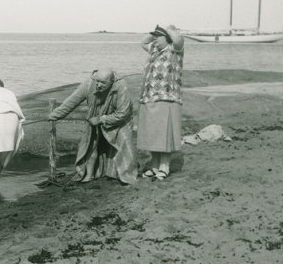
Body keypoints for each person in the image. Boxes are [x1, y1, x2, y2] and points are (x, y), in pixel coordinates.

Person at [48, 68, 137, 184]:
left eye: (103, 83)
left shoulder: (121, 87)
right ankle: (89, 175)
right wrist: (54, 115)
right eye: (97, 82)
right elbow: (71, 101)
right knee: (90, 143)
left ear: (111, 82)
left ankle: (123, 174)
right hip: (94, 115)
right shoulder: (89, 83)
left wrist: (101, 119)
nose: (99, 85)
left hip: (119, 118)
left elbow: (123, 114)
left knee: (124, 142)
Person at [137, 24, 185, 181]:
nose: (155, 40)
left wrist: (169, 30)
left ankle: (165, 165)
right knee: (153, 133)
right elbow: (142, 42)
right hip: (149, 96)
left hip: (167, 98)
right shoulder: (153, 50)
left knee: (165, 133)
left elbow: (178, 40)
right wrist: (155, 35)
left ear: (167, 39)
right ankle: (154, 164)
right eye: (155, 37)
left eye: (158, 37)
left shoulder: (174, 50)